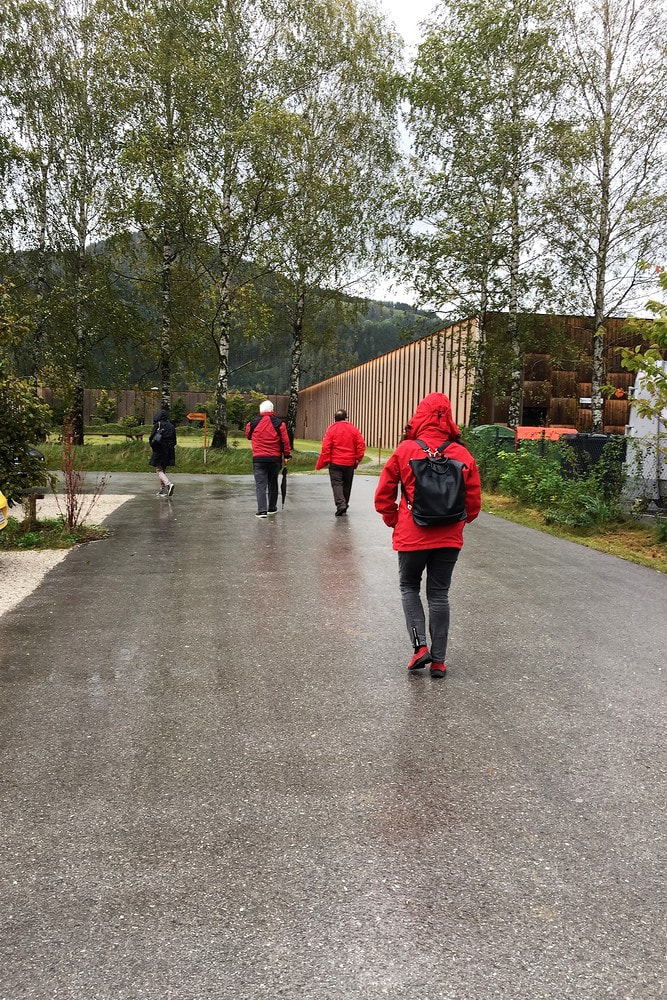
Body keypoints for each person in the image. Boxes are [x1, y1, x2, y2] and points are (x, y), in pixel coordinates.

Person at [374, 392, 481, 678]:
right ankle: (439, 661)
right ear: (449, 419)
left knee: (409, 587)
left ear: (419, 416)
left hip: (412, 534)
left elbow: (383, 495)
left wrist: (395, 519)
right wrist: (457, 523)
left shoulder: (405, 450)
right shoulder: (462, 454)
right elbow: (473, 503)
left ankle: (420, 647)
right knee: (439, 594)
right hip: (449, 538)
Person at [315, 408, 366, 516]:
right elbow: (361, 444)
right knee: (347, 484)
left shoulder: (331, 429)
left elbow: (326, 446)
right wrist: (358, 458)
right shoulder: (353, 429)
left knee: (336, 483)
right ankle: (344, 503)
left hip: (336, 461)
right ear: (346, 418)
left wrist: (326, 460)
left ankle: (340, 504)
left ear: (335, 418)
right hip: (349, 462)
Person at [245, 399, 291, 518]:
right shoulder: (279, 423)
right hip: (275, 458)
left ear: (260, 410)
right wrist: (286, 455)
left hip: (259, 458)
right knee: (273, 482)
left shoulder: (253, 423)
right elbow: (285, 441)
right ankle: (272, 508)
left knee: (260, 484)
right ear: (272, 410)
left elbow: (248, 436)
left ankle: (262, 511)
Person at [149, 408, 177, 497]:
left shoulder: (158, 425)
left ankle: (168, 484)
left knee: (159, 470)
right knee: (163, 469)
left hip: (160, 448)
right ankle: (163, 490)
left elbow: (152, 437)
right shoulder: (171, 426)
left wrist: (153, 446)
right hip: (169, 449)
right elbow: (174, 440)